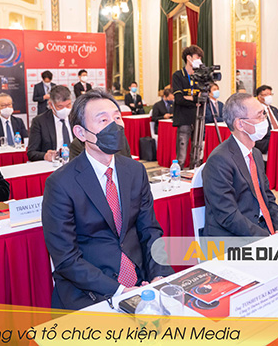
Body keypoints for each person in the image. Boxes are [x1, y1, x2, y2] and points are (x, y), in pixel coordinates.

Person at [42, 89, 174, 310]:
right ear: (81, 132)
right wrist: (120, 291)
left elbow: (150, 231)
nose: (114, 126)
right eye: (103, 120)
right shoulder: (60, 184)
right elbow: (66, 259)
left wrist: (159, 274)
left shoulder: (135, 170)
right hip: (89, 291)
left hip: (141, 280)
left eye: (117, 117)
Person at [202, 92, 278, 237]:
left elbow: (267, 196)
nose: (264, 121)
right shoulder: (219, 160)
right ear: (240, 124)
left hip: (260, 225)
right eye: (259, 116)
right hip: (233, 235)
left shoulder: (255, 153)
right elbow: (228, 215)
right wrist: (266, 238)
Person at [172, 45, 203, 167]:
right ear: (189, 58)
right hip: (183, 118)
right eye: (197, 57)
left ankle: (194, 172)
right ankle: (178, 173)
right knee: (181, 154)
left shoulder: (200, 76)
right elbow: (179, 99)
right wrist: (195, 100)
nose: (199, 60)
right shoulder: (178, 75)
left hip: (198, 117)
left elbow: (202, 99)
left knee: (196, 153)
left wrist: (191, 98)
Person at [27, 85, 73, 161]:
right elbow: (31, 153)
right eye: (60, 106)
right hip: (54, 163)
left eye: (68, 105)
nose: (65, 110)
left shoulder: (77, 118)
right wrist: (45, 156)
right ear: (51, 105)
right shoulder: (39, 122)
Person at [254, 85, 278, 155]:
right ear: (259, 97)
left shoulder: (274, 109)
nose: (269, 97)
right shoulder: (256, 111)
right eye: (266, 95)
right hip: (267, 141)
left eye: (270, 94)